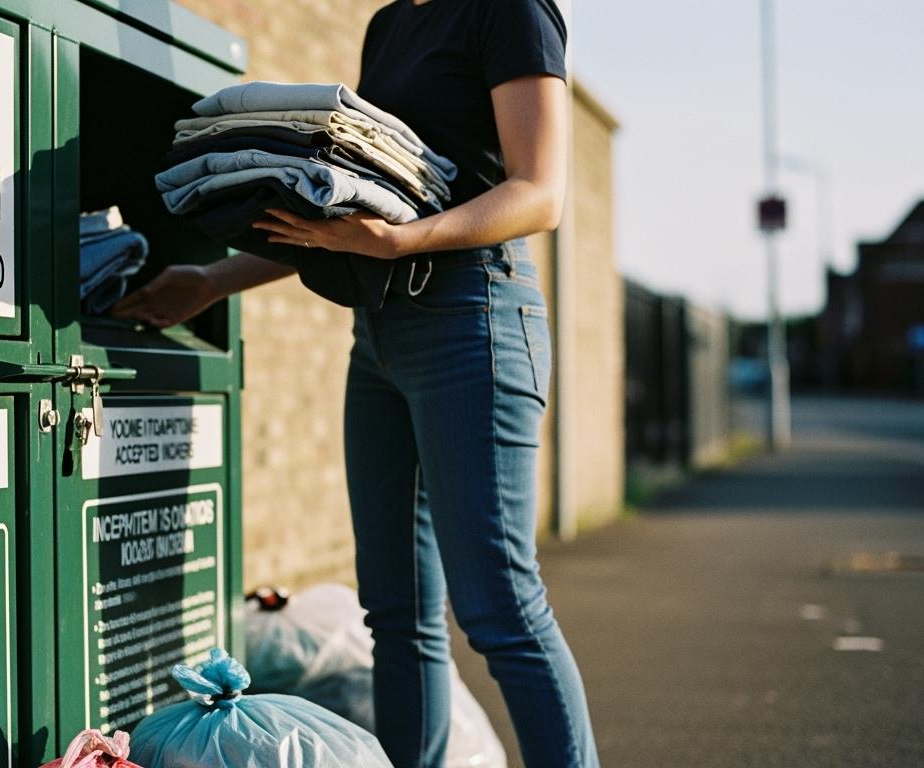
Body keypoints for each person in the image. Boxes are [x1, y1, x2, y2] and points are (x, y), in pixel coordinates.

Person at [112, 1, 598, 766]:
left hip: (473, 319)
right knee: (397, 614)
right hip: (378, 334)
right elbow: (349, 213)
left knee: (501, 607)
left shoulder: (509, 10)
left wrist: (402, 240)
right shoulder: (391, 26)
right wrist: (211, 279)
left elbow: (540, 193)